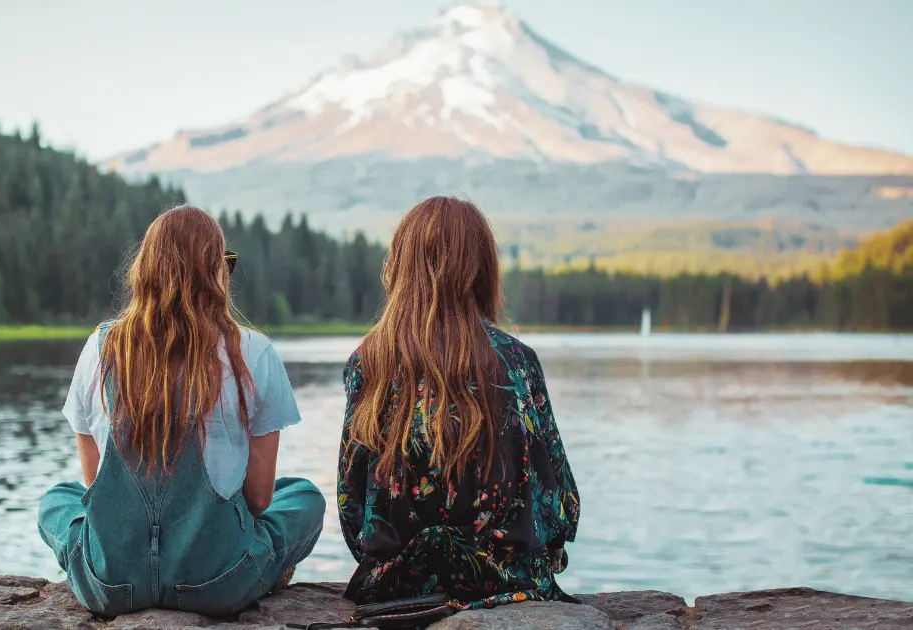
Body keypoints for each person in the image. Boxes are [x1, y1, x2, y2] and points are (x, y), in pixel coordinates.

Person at [38, 205, 325, 618]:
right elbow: (260, 499)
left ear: (145, 270)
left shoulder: (101, 348)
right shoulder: (253, 352)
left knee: (58, 499)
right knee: (303, 496)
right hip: (218, 584)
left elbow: (94, 488)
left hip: (112, 585)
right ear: (216, 274)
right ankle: (264, 566)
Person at [337, 196, 581, 609]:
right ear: (482, 270)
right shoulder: (517, 361)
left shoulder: (368, 361)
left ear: (400, 266)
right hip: (504, 580)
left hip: (398, 584)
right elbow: (561, 504)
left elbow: (351, 505)